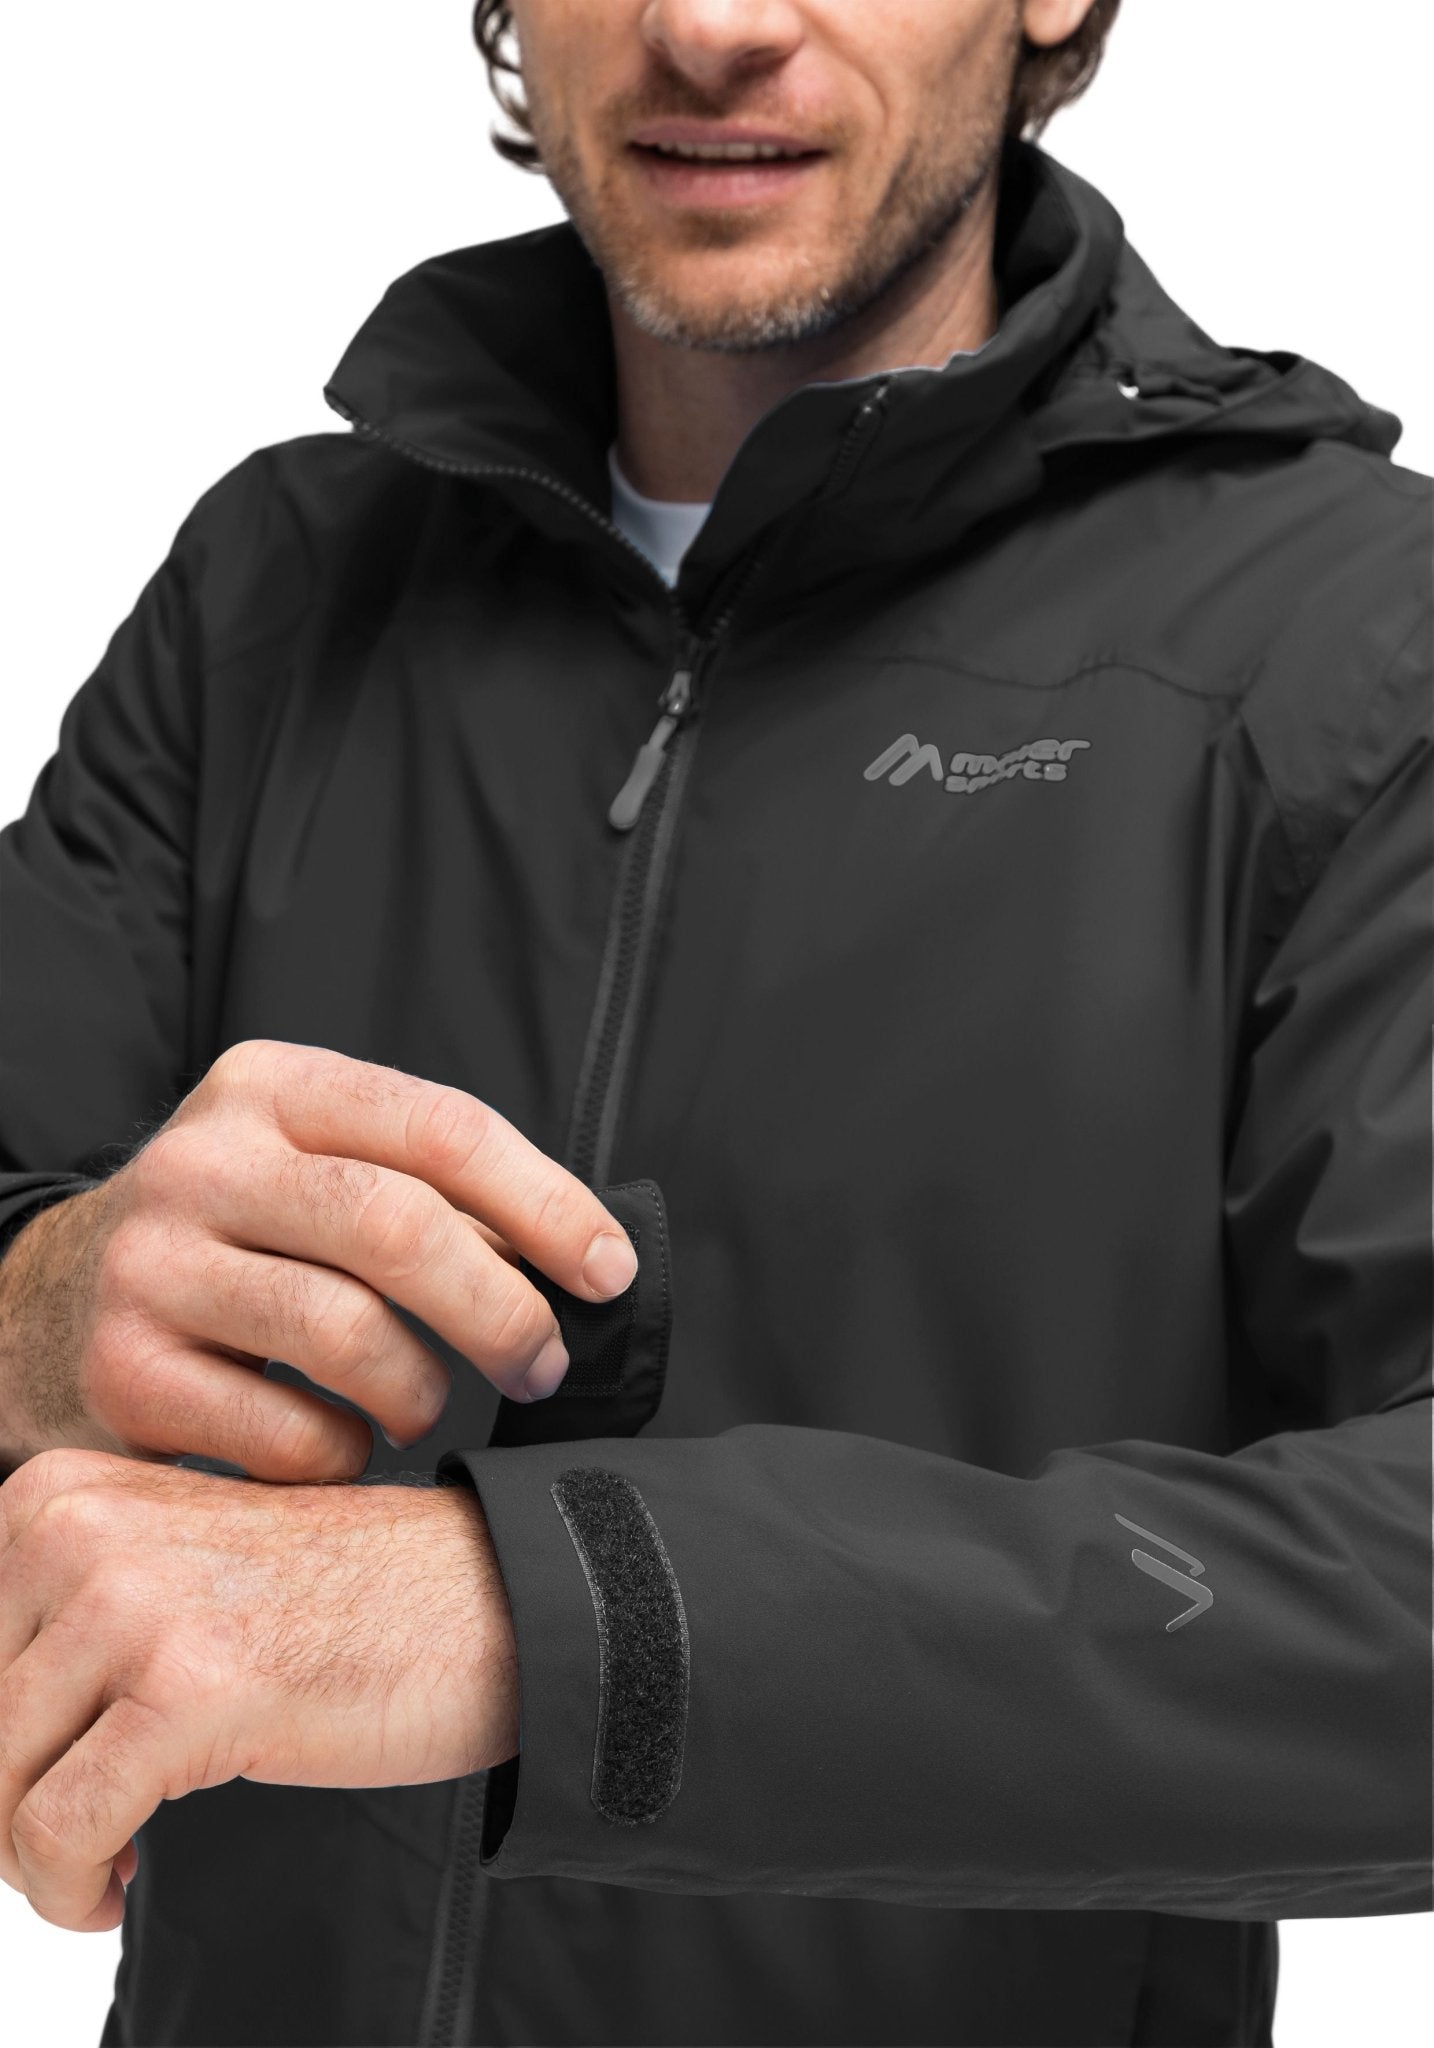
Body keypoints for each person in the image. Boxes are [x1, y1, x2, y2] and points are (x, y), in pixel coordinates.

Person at [0, 0, 1429, 2043]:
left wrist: (542, 1621)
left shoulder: (1355, 651)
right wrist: (40, 1311)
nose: (713, 26)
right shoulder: (277, 591)